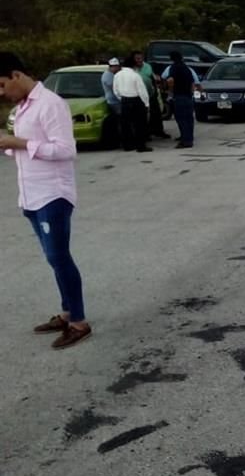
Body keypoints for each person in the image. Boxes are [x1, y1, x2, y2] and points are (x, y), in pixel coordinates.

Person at [0, 52, 92, 349]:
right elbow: (27, 150)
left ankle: (79, 322)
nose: (2, 93)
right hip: (30, 195)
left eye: (2, 85)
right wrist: (9, 145)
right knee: (54, 259)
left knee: (59, 258)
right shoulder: (22, 107)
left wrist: (20, 143)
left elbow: (66, 150)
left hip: (53, 195)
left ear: (16, 75)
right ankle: (66, 313)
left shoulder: (50, 104)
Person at [113, 57, 152, 152]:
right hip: (136, 100)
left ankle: (127, 145)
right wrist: (146, 103)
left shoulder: (117, 75)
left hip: (124, 100)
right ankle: (141, 146)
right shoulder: (135, 75)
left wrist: (121, 98)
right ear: (133, 66)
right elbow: (142, 91)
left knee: (125, 124)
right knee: (140, 124)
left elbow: (115, 89)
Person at [162, 51, 200, 148]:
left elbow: (170, 80)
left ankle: (185, 141)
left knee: (181, 119)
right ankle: (189, 138)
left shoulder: (173, 68)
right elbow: (193, 82)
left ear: (171, 58)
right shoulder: (187, 68)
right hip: (188, 96)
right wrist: (191, 93)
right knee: (189, 119)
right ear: (182, 57)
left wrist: (170, 92)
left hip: (179, 96)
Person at [133, 50, 169, 139]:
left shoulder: (148, 66)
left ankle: (159, 131)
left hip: (151, 93)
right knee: (143, 116)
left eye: (140, 58)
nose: (139, 60)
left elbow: (152, 77)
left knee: (156, 114)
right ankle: (146, 133)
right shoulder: (132, 68)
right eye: (137, 58)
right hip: (139, 95)